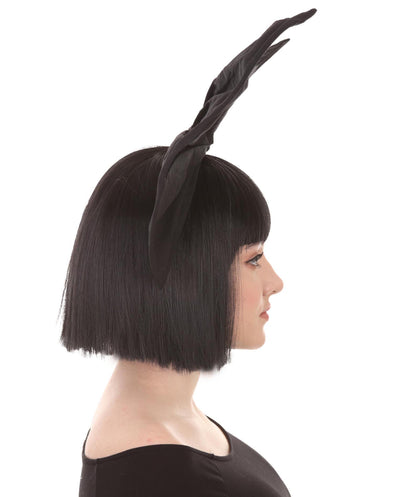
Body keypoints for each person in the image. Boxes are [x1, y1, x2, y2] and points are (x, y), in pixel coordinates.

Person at [59, 8, 317, 497]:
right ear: (184, 274)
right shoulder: (158, 472)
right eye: (253, 259)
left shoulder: (168, 421)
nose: (275, 282)